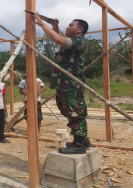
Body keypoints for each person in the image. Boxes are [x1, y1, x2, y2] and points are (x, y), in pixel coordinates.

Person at [33, 12, 91, 154]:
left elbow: (60, 41)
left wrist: (42, 24)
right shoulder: (72, 41)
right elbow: (61, 37)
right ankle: (82, 139)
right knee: (67, 109)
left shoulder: (79, 41)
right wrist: (54, 26)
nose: (68, 26)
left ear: (79, 30)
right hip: (64, 84)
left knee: (75, 111)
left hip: (71, 84)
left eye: (71, 25)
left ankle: (79, 144)